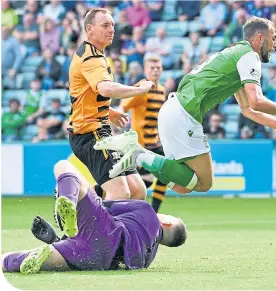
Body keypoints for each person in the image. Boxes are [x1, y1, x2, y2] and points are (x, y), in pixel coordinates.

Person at [95, 16, 276, 195]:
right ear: (259, 37)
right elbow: (256, 100)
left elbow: (247, 109)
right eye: (273, 39)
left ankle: (138, 156)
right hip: (184, 114)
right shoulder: (249, 56)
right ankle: (137, 153)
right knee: (204, 183)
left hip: (172, 110)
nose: (275, 45)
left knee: (182, 186)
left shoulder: (233, 55)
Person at [1, 160, 187, 274]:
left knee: (63, 167)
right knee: (18, 259)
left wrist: (85, 195)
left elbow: (104, 207)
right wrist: (58, 240)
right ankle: (48, 247)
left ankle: (68, 200)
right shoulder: (147, 257)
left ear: (167, 222)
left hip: (105, 234)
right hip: (96, 259)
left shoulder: (147, 211)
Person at [68, 8, 156, 200]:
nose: (112, 29)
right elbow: (105, 89)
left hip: (101, 130)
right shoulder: (91, 58)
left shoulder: (93, 53)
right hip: (90, 134)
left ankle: (91, 207)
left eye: (113, 25)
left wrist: (108, 111)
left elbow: (86, 95)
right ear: (90, 29)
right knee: (121, 193)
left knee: (137, 190)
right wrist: (139, 89)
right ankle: (90, 225)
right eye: (105, 25)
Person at [120, 55, 167, 213]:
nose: (155, 70)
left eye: (158, 67)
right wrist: (119, 116)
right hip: (139, 145)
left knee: (165, 174)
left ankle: (153, 212)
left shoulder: (161, 90)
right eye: (152, 68)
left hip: (154, 144)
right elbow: (124, 104)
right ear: (146, 70)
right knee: (136, 184)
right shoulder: (141, 88)